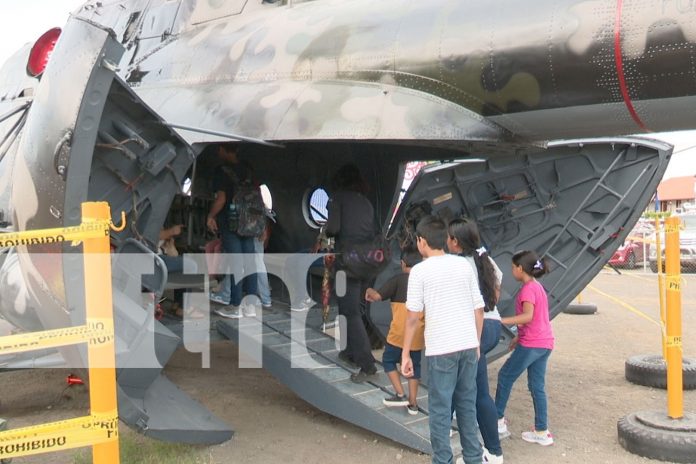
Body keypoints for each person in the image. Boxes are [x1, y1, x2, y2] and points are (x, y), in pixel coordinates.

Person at [401, 215, 484, 464]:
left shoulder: (419, 271)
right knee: (467, 406)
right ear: (445, 240)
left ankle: (443, 461)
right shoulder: (463, 266)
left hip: (441, 349)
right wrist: (476, 344)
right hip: (468, 345)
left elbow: (413, 317)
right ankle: (473, 458)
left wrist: (406, 353)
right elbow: (478, 310)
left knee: (440, 409)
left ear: (422, 241)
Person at [447, 218, 504, 464]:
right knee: (468, 385)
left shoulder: (458, 265)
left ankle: (493, 452)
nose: (446, 241)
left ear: (456, 242)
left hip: (476, 329)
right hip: (493, 323)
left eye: (448, 237)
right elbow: (497, 287)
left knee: (479, 393)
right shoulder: (483, 259)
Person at [495, 250, 554, 447]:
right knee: (537, 386)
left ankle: (498, 420)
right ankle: (541, 431)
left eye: (513, 267)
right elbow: (537, 318)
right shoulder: (538, 287)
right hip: (544, 343)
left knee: (505, 376)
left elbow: (528, 316)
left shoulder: (528, 289)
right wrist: (518, 337)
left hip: (532, 344)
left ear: (520, 269)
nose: (512, 270)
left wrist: (501, 320)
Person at [325, 164, 378, 383]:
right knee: (352, 309)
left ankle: (367, 365)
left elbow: (332, 229)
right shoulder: (365, 201)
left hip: (347, 262)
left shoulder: (338, 198)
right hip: (367, 262)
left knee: (350, 311)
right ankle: (349, 352)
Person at [364, 247, 423, 415]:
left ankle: (400, 394)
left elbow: (376, 297)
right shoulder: (424, 282)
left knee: (388, 360)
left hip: (399, 334)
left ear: (403, 263)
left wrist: (367, 289)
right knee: (415, 367)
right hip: (417, 335)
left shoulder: (398, 280)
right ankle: (413, 403)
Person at [206, 145, 259, 318]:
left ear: (223, 149)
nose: (217, 152)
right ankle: (250, 306)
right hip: (250, 221)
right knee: (250, 263)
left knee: (236, 262)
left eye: (219, 149)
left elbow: (221, 199)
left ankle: (235, 305)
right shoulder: (249, 168)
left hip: (231, 222)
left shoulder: (221, 171)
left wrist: (210, 216)